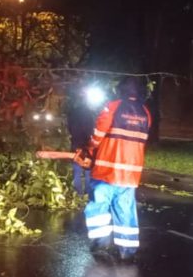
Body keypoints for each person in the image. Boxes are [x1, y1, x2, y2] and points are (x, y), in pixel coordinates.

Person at [83, 76, 151, 262]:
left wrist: (90, 147)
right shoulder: (145, 112)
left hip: (107, 170)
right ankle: (127, 250)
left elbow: (98, 132)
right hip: (130, 174)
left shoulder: (112, 107)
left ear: (120, 90)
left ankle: (101, 241)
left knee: (99, 206)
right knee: (125, 210)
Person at [65, 80, 98, 195]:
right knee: (88, 169)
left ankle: (78, 193)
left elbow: (69, 126)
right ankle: (89, 193)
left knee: (77, 169)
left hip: (76, 142)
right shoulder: (88, 113)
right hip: (87, 143)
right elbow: (90, 128)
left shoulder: (72, 112)